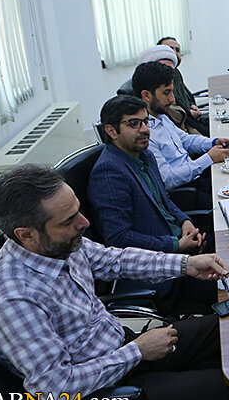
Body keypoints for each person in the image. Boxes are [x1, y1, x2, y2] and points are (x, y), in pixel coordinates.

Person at [0, 164, 229, 400]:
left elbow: (116, 260)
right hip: (104, 395)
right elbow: (56, 388)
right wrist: (137, 351)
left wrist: (185, 264)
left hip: (122, 349)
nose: (84, 223)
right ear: (26, 235)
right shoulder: (12, 298)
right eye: (69, 220)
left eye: (78, 211)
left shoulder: (55, 245)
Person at [88, 95, 215, 307]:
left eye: (146, 122)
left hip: (181, 245)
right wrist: (176, 245)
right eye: (134, 124)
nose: (145, 129)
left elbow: (164, 199)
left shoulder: (145, 156)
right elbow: (119, 238)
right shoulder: (109, 172)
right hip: (160, 274)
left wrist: (185, 222)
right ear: (111, 131)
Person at [132, 61, 229, 191]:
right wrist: (209, 158)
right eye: (166, 93)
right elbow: (167, 179)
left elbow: (186, 140)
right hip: (185, 190)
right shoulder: (145, 134)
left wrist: (213, 142)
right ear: (146, 95)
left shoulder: (161, 116)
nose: (172, 99)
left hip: (194, 174)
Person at [158, 36, 209, 136]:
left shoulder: (176, 72)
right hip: (180, 126)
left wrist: (192, 105)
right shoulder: (156, 78)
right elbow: (170, 111)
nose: (174, 53)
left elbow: (186, 95)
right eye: (170, 49)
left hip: (190, 119)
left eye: (177, 50)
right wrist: (189, 113)